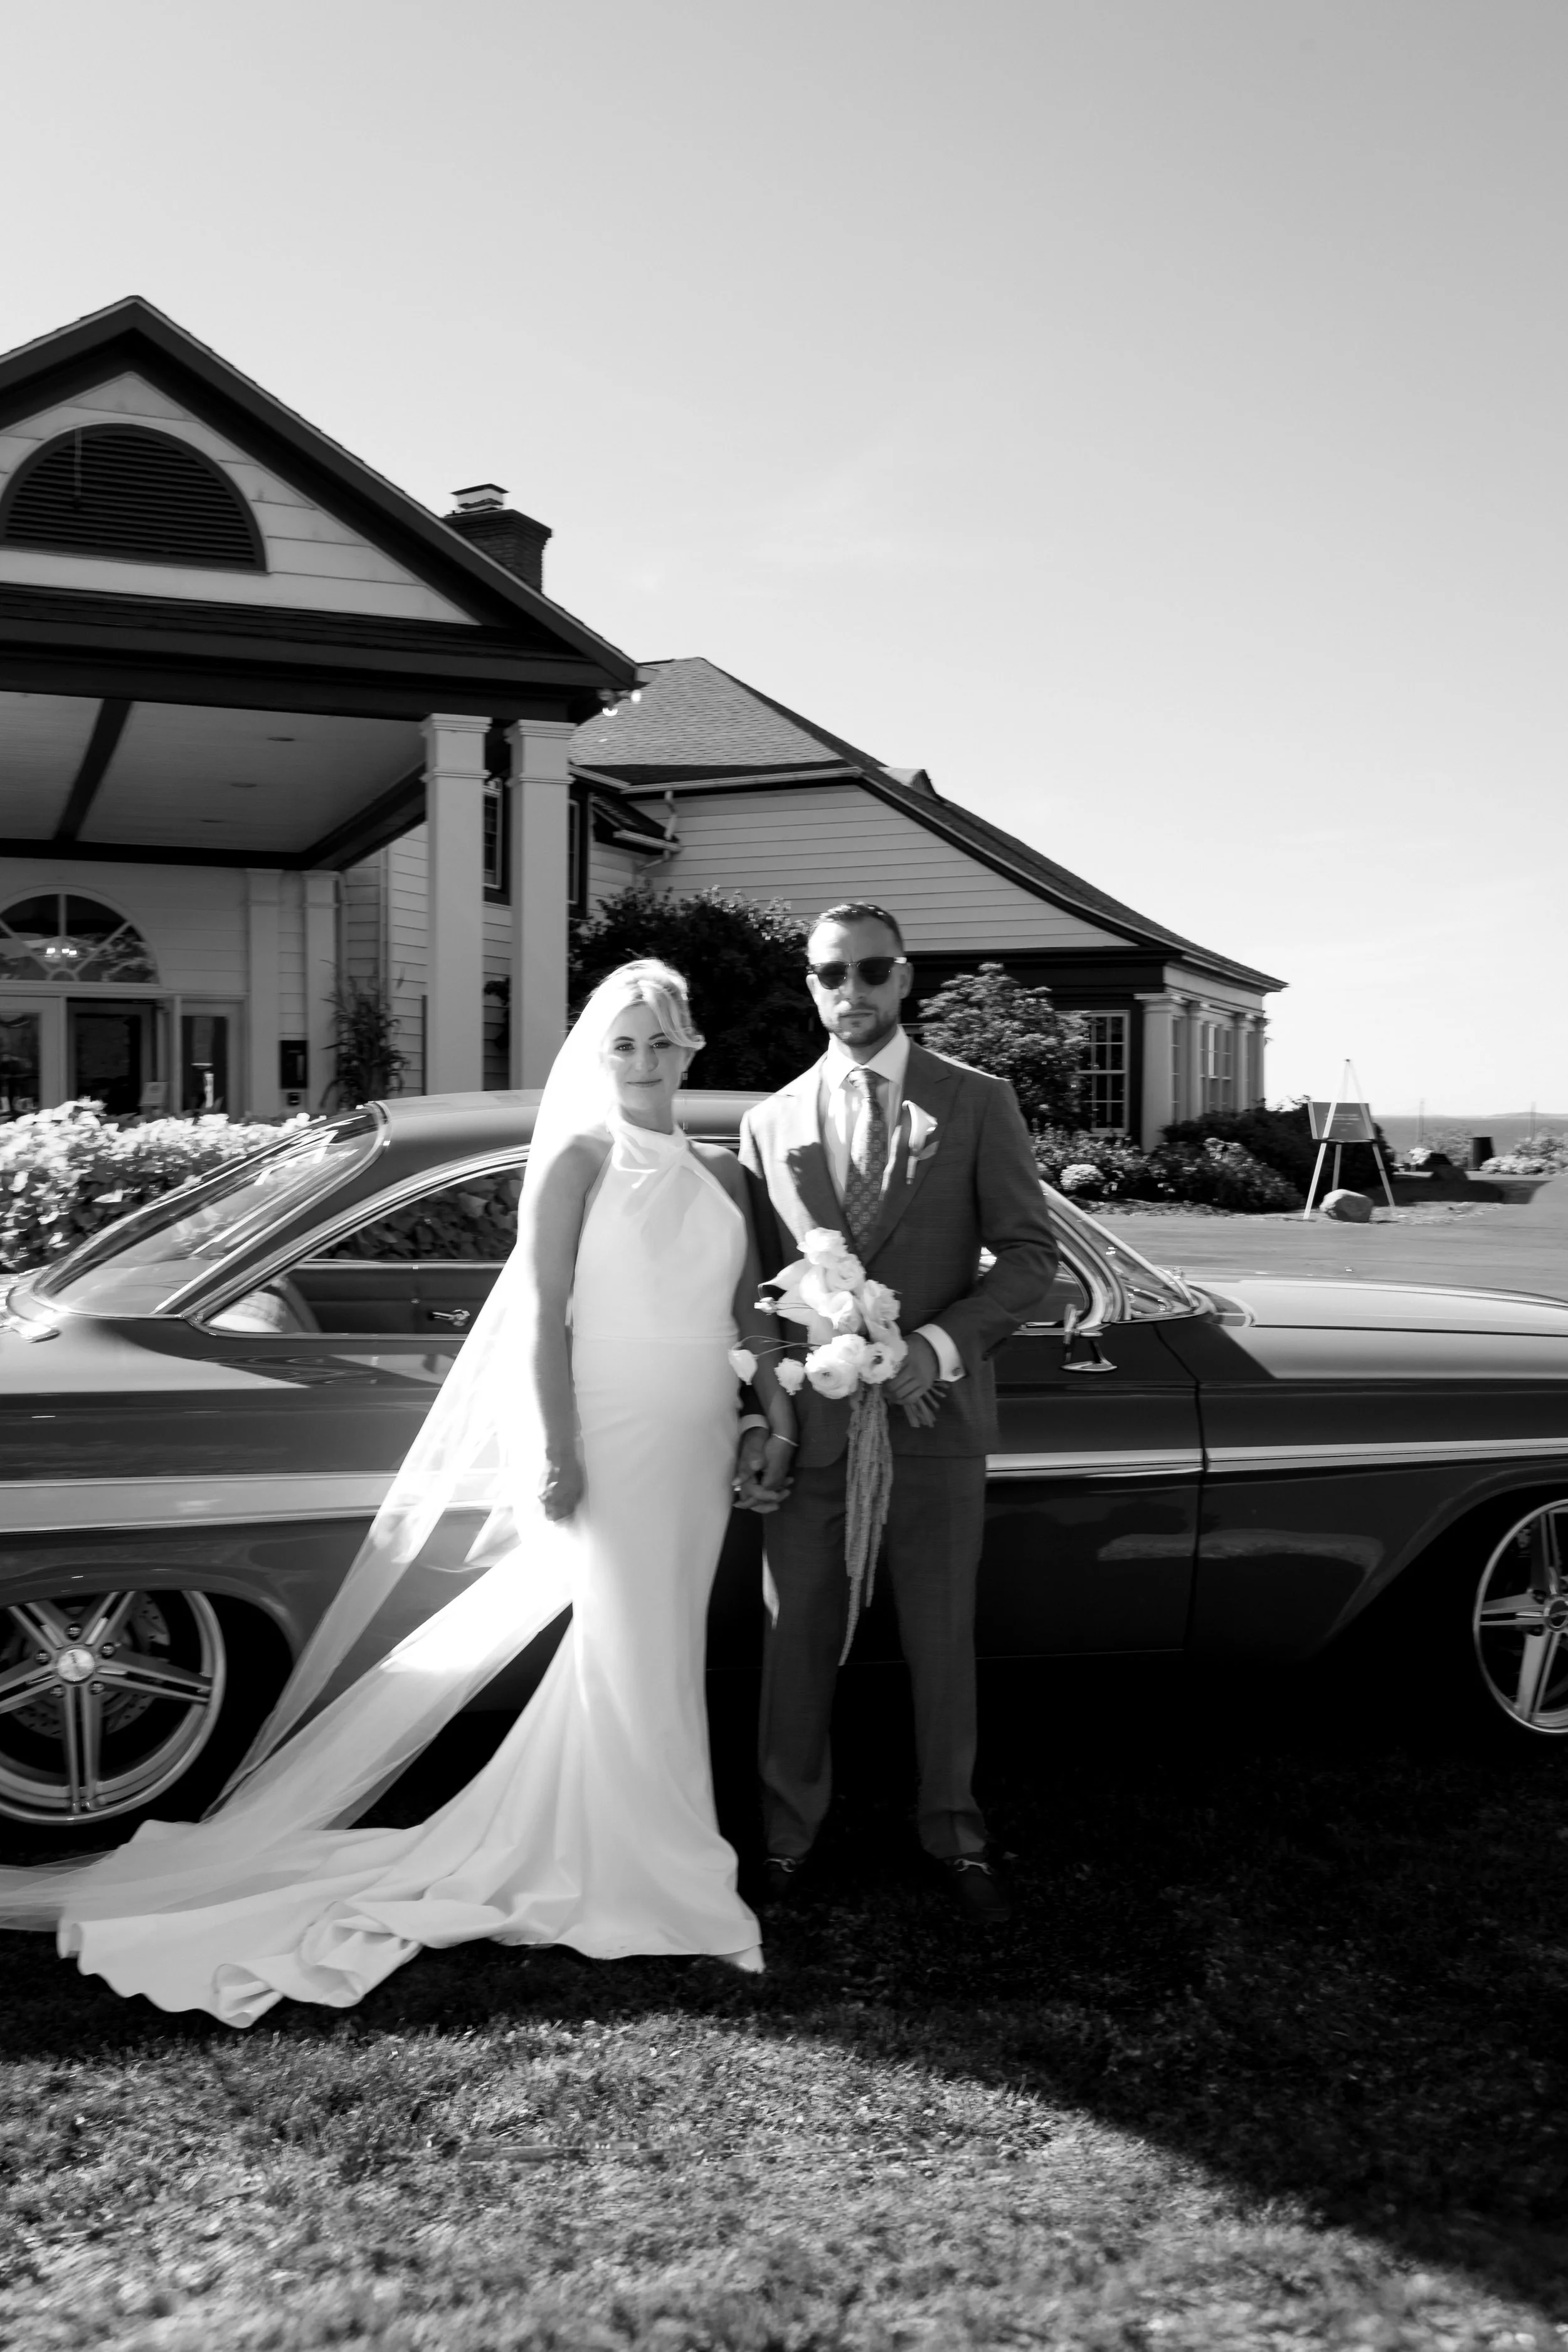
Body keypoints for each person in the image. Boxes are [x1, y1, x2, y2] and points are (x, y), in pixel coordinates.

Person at [0, 961, 797, 2021]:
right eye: (625, 1044)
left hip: (699, 1438)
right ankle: (660, 1865)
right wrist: (556, 1450)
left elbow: (751, 1313)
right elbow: (540, 1312)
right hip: (612, 1435)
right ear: (600, 1056)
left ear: (691, 1046)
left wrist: (774, 1413)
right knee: (633, 1645)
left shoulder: (723, 1170)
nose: (645, 1061)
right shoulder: (577, 1157)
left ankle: (633, 1840)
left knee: (662, 1644)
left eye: (662, 1041)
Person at [737, 903, 1057, 1924]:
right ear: (812, 985)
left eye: (873, 970)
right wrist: (769, 1418)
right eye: (833, 973)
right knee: (794, 1641)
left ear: (905, 977)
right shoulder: (769, 1121)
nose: (854, 990)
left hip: (936, 1423)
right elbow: (757, 1292)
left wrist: (936, 1346)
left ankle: (955, 1835)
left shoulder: (977, 1100)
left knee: (942, 1639)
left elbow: (1031, 1256)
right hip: (815, 1430)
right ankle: (786, 1837)